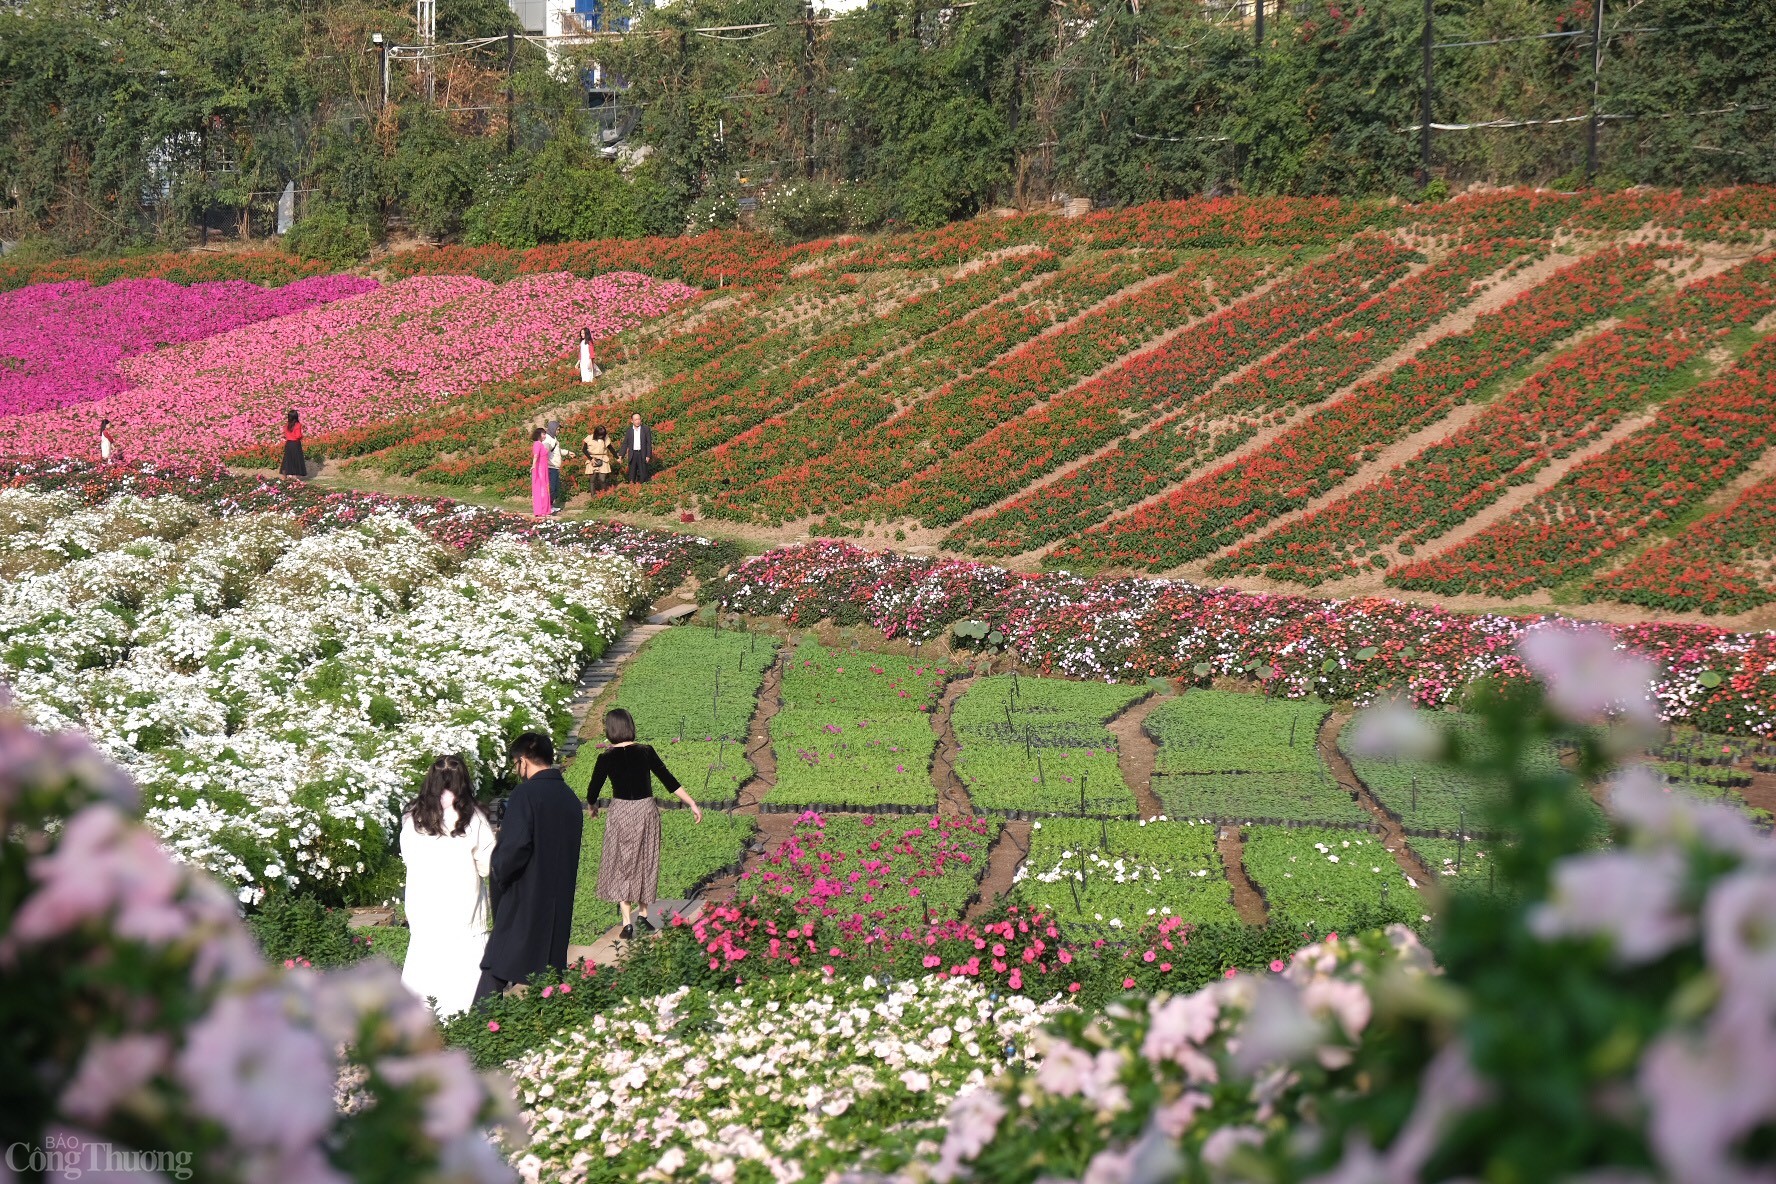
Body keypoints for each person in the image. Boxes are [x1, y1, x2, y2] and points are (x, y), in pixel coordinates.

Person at [477, 733, 583, 1003]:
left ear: (523, 761)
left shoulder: (525, 794)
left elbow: (514, 848)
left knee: (496, 965)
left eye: (516, 764)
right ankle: (548, 1026)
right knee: (547, 972)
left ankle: (476, 1031)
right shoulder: (569, 797)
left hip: (525, 895)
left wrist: (500, 874)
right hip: (557, 899)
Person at [586, 708, 701, 940]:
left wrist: (593, 806)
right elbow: (668, 779)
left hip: (620, 812)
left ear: (610, 730)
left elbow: (593, 788)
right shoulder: (646, 752)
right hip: (646, 811)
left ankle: (627, 922)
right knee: (646, 859)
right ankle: (644, 915)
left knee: (621, 861)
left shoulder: (605, 757)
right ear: (630, 726)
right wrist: (691, 803)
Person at [398, 754, 495, 1017]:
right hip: (463, 909)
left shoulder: (413, 819)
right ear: (463, 782)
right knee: (464, 972)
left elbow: (408, 858)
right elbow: (487, 866)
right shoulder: (473, 819)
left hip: (425, 907)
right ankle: (463, 1023)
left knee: (425, 965)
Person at [621, 413, 653, 484]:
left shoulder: (645, 429)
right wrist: (621, 455)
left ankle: (643, 488)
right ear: (632, 421)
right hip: (633, 454)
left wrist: (648, 455)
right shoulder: (629, 431)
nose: (638, 421)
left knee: (643, 474)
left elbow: (648, 443)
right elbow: (625, 443)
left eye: (639, 419)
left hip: (642, 453)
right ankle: (632, 489)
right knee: (632, 474)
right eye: (635, 420)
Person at [583, 425, 614, 494]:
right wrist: (591, 459)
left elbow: (610, 448)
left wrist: (617, 457)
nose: (601, 436)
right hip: (592, 459)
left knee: (602, 479)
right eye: (600, 435)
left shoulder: (605, 438)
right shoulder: (589, 438)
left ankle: (603, 495)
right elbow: (584, 450)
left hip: (603, 458)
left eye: (602, 435)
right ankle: (593, 496)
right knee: (592, 480)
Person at [530, 426, 551, 518]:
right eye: (543, 434)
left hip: (544, 467)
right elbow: (536, 455)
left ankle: (545, 509)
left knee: (545, 487)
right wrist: (534, 465)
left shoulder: (541, 444)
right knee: (541, 488)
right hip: (540, 469)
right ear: (539, 435)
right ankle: (541, 509)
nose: (545, 435)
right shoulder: (537, 444)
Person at [543, 419, 564, 513]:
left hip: (554, 467)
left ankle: (550, 505)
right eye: (557, 429)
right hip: (550, 467)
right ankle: (547, 507)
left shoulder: (553, 438)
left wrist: (568, 452)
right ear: (552, 429)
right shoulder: (548, 439)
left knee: (554, 488)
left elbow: (557, 451)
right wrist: (547, 463)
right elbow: (545, 452)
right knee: (551, 488)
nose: (558, 431)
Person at [280, 409, 307, 479]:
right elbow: (298, 435)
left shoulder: (287, 425)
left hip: (288, 444)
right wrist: (302, 436)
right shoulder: (297, 425)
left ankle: (284, 476)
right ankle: (294, 476)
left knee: (287, 460)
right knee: (296, 459)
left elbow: (285, 434)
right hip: (295, 444)